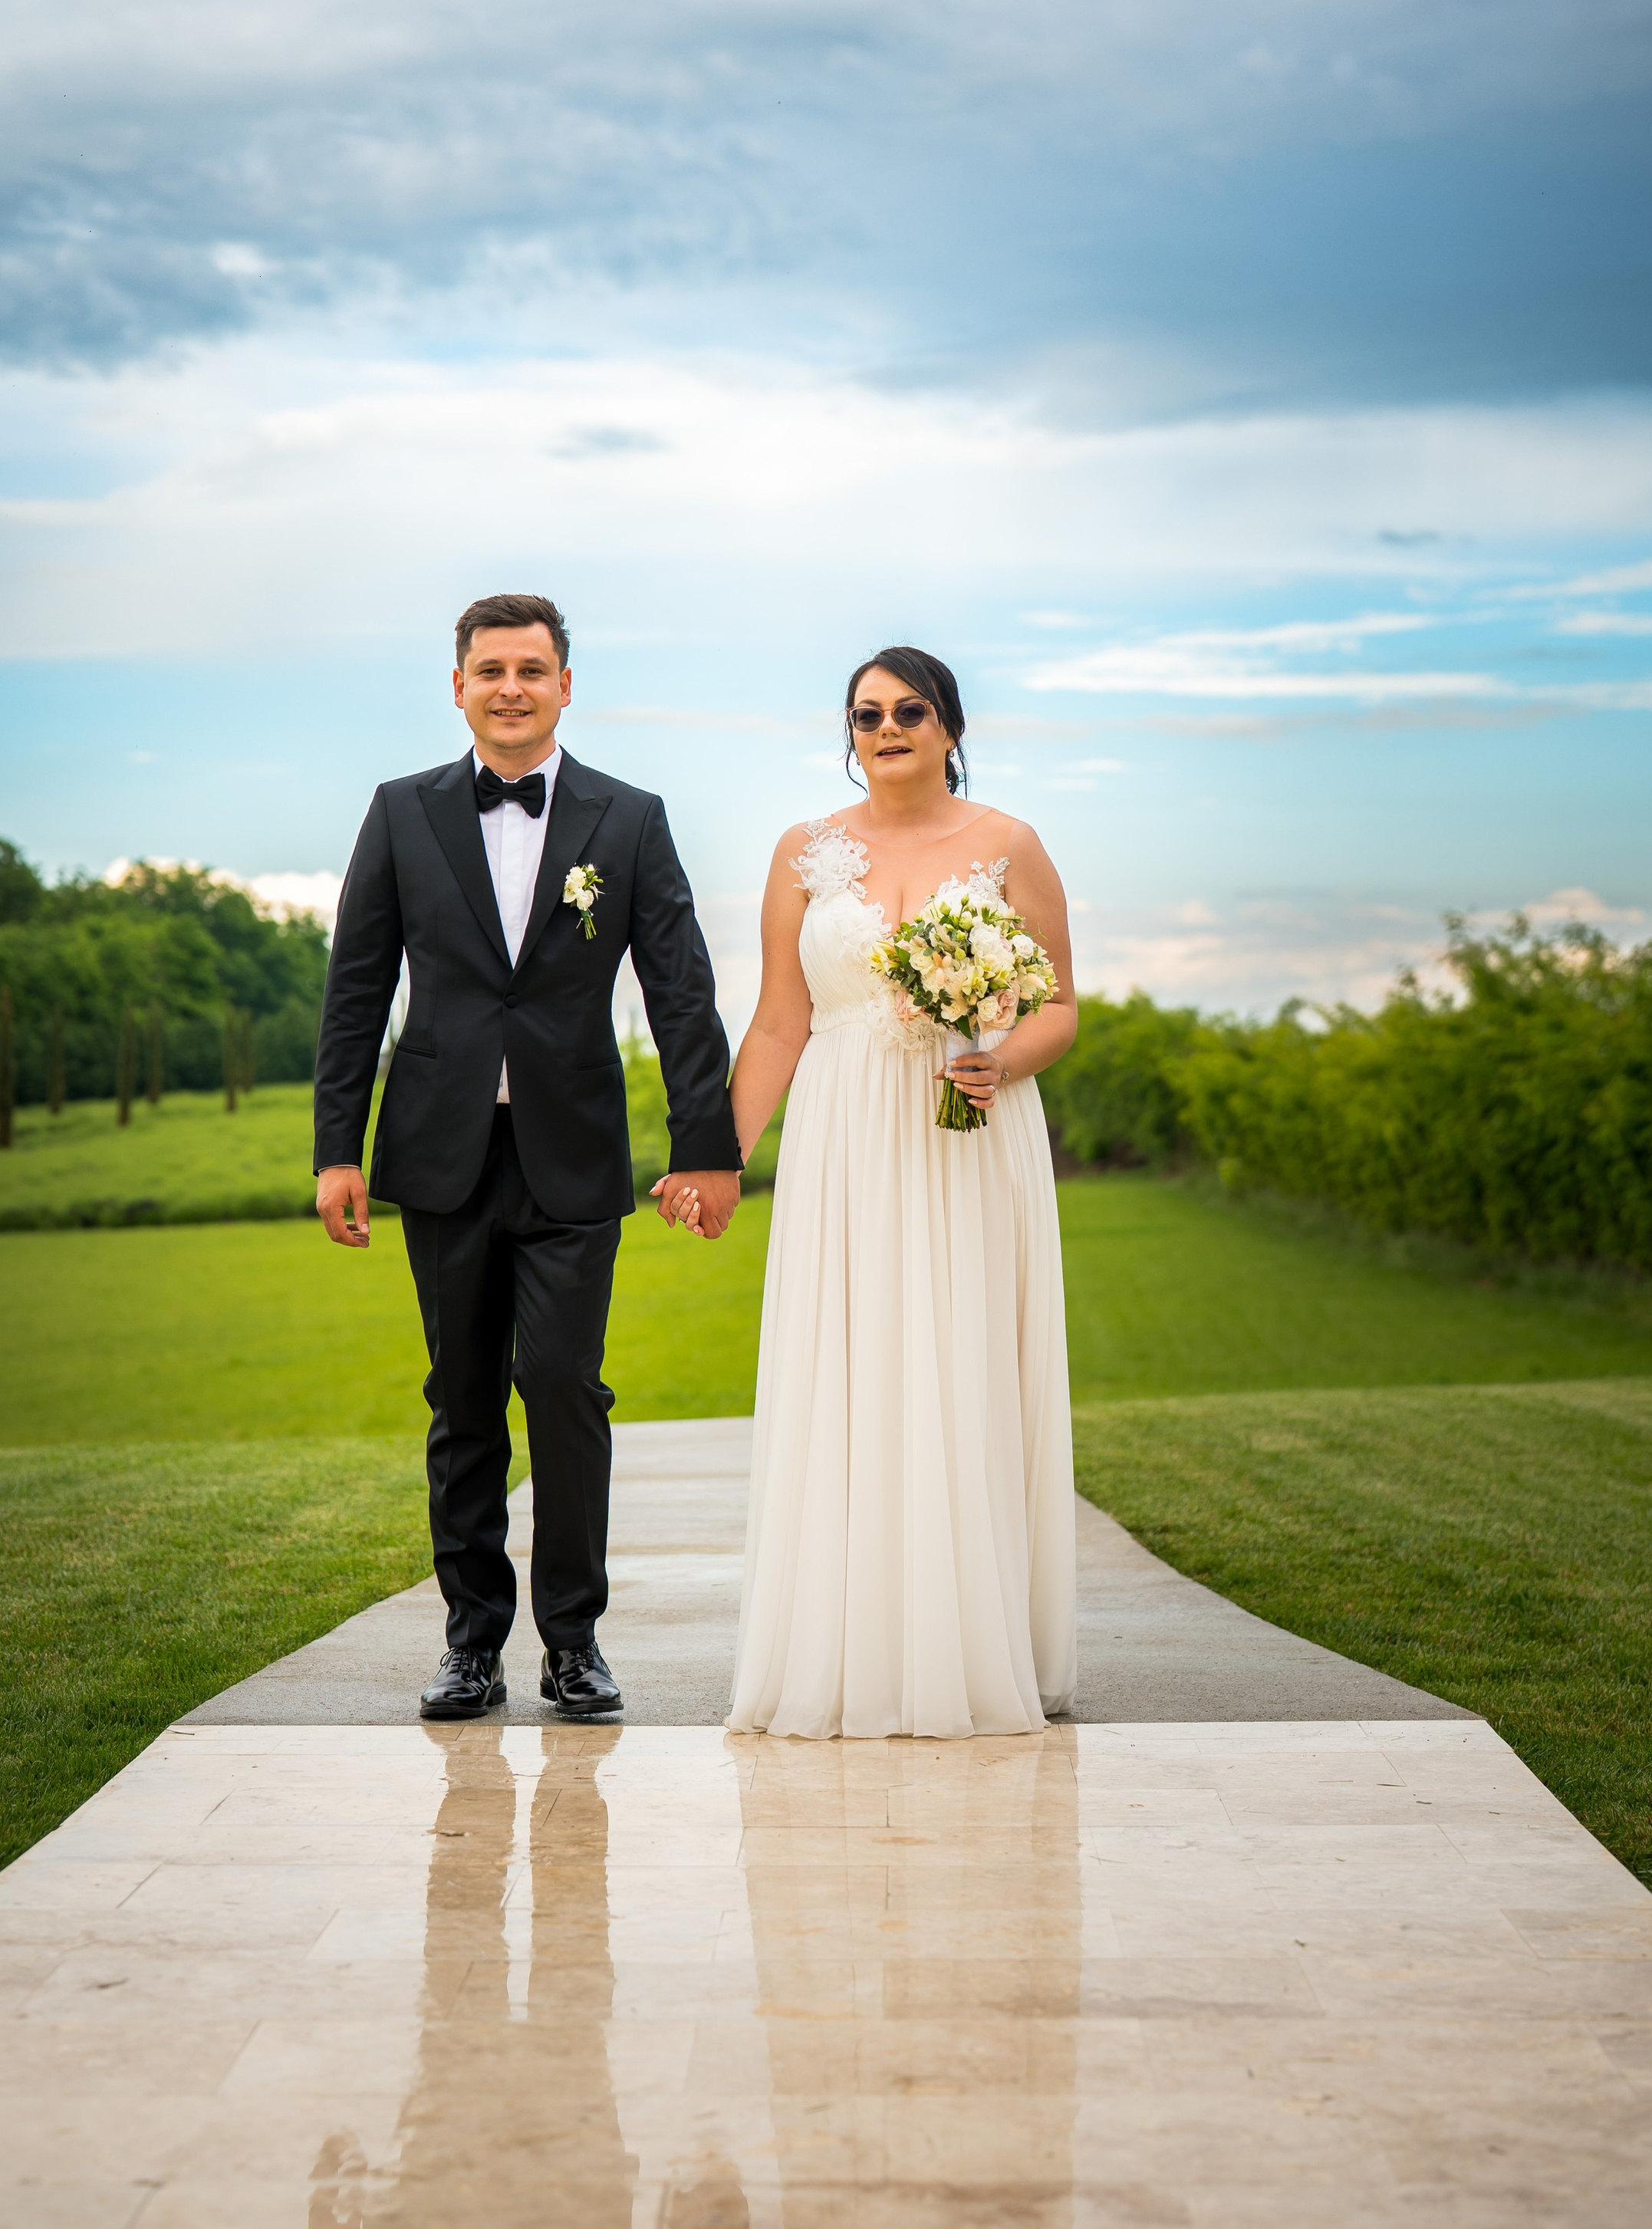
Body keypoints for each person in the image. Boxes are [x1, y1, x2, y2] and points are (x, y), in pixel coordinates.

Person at [313, 593, 740, 1721]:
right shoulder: (399, 813)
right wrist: (335, 1149)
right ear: (457, 685)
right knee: (461, 1400)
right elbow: (356, 989)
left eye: (533, 668)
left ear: (565, 685)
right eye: (490, 668)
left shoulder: (630, 818)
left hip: (574, 1149)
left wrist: (711, 1147)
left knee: (563, 1390)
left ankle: (574, 1643)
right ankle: (469, 1644)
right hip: (440, 1151)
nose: (511, 685)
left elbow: (683, 990)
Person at [717, 644, 1078, 1737]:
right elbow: (782, 1020)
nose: (888, 728)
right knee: (852, 1366)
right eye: (867, 713)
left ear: (952, 726)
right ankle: (847, 1645)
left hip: (970, 1132)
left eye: (911, 710)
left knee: (961, 1362)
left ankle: (968, 1647)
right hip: (843, 1136)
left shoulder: (1010, 846)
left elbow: (1060, 1004)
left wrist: (1003, 1058)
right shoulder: (804, 853)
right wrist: (720, 1157)